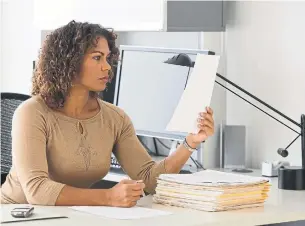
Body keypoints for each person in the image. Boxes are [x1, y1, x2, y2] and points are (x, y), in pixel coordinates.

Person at [1, 20, 215, 207]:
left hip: (69, 216)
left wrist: (190, 142)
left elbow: (149, 180)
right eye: (97, 58)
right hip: (16, 215)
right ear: (69, 61)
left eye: (107, 58)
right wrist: (108, 197)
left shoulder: (115, 118)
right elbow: (37, 191)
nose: (107, 67)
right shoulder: (31, 113)